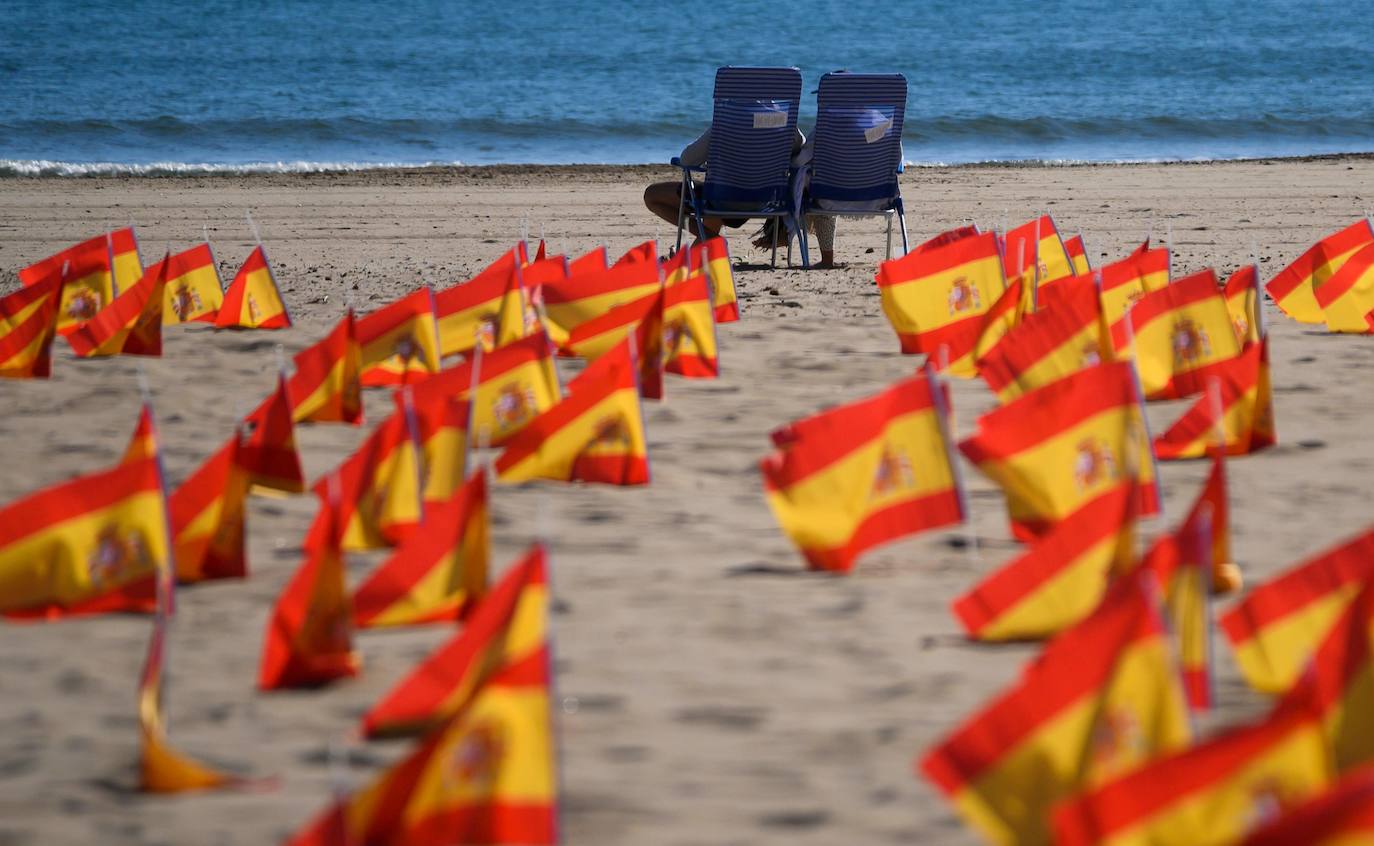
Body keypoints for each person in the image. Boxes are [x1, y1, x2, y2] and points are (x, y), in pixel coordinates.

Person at [643, 127, 839, 269]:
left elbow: (687, 160)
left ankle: (711, 241)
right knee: (715, 201)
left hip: (722, 199)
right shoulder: (788, 129)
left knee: (652, 195)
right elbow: (799, 151)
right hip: (766, 201)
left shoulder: (725, 123)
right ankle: (692, 256)